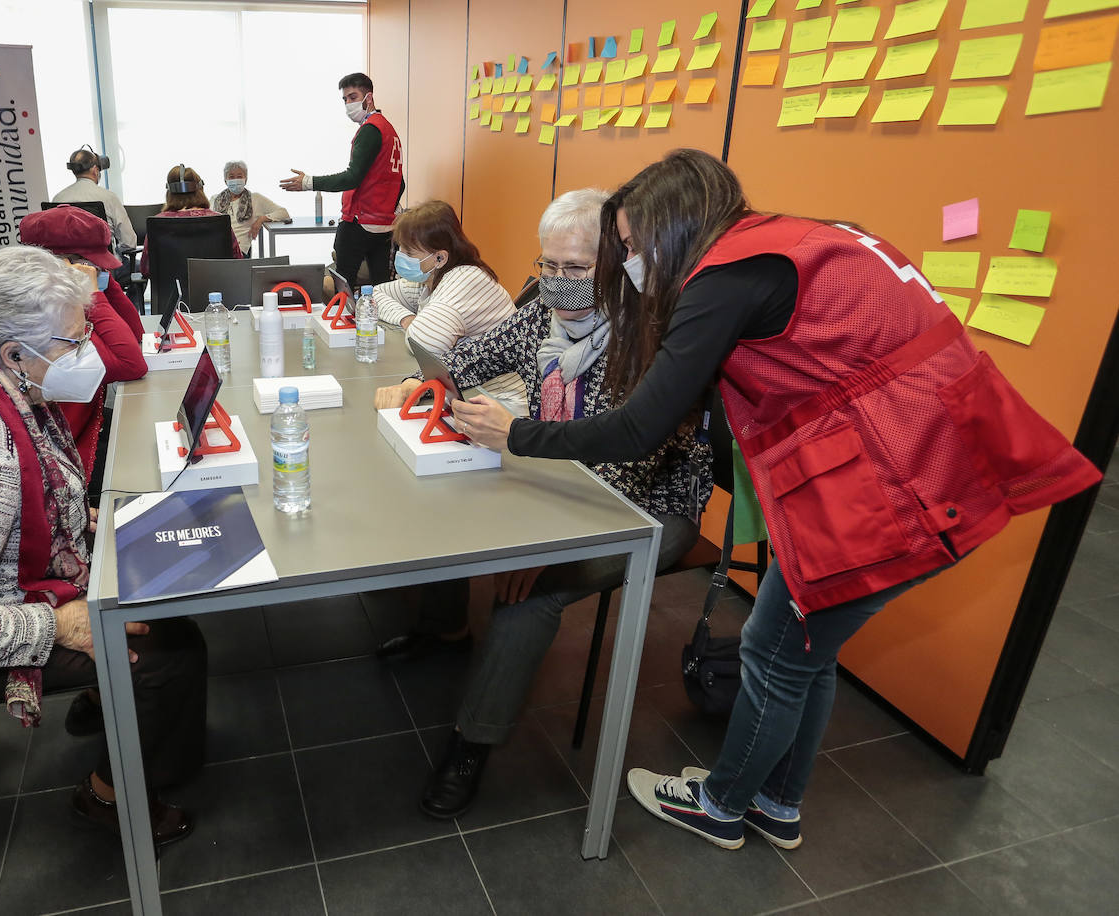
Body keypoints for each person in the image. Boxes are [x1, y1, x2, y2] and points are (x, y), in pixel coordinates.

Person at [452, 149, 1100, 851]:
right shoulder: (798, 239)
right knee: (807, 652)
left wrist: (517, 432)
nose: (630, 264)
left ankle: (722, 806)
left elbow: (640, 428)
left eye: (633, 247)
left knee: (774, 652)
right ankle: (778, 802)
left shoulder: (722, 279)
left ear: (674, 231)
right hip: (926, 458)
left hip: (890, 483)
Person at [376, 189, 712, 819]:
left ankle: (471, 744)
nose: (557, 283)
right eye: (547, 267)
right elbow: (465, 359)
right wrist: (421, 383)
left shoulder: (657, 341)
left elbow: (627, 470)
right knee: (448, 495)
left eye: (575, 269)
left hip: (649, 508)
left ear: (616, 261)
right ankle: (445, 628)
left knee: (531, 592)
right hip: (559, 472)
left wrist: (546, 543)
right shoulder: (545, 317)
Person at [0, 246, 209, 847]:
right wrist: (61, 625)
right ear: (13, 353)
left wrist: (90, 518)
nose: (86, 355)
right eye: (72, 344)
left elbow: (40, 488)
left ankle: (109, 712)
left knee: (152, 591)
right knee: (170, 650)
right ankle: (110, 795)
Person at [19, 206, 147, 498]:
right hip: (66, 458)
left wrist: (106, 283)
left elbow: (135, 333)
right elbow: (131, 363)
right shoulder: (50, 318)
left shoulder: (63, 300)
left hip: (86, 425)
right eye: (92, 265)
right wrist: (94, 295)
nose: (99, 273)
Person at [372, 200, 527, 415]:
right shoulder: (430, 278)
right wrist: (407, 319)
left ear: (439, 257)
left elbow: (423, 344)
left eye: (409, 252)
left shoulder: (465, 280)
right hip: (468, 389)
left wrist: (416, 325)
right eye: (400, 248)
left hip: (503, 405)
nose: (401, 256)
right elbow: (376, 295)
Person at [279, 72, 404, 285]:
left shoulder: (370, 130)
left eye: (353, 97)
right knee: (382, 288)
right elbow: (400, 182)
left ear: (369, 98)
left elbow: (352, 178)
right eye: (345, 99)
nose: (348, 103)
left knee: (343, 285)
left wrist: (308, 182)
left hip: (359, 221)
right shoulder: (389, 130)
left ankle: (343, 319)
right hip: (384, 224)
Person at [139, 164, 244, 276]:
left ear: (169, 192)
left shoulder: (158, 223)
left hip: (172, 292)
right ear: (200, 189)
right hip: (216, 291)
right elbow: (237, 263)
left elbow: (146, 269)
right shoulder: (219, 221)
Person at [52, 145, 137, 256]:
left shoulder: (58, 199)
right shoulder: (109, 197)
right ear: (95, 170)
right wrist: (115, 253)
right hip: (105, 268)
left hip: (70, 268)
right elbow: (129, 242)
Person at [213, 160, 291, 256]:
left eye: (239, 176)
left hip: (238, 251)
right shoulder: (215, 199)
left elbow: (283, 212)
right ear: (225, 180)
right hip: (216, 247)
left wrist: (261, 219)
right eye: (231, 177)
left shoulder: (255, 198)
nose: (236, 180)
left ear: (245, 179)